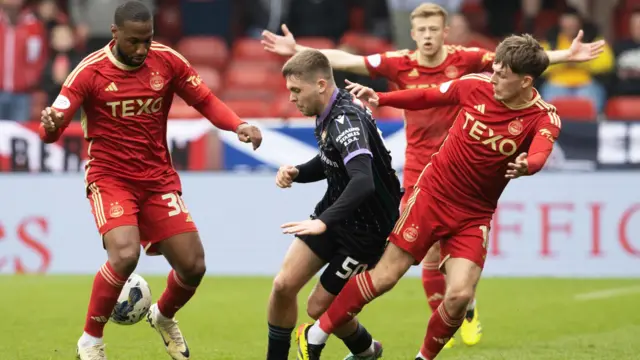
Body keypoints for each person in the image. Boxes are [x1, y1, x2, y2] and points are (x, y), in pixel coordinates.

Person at [261, 2, 604, 349]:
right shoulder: (400, 63)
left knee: (446, 267)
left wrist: (567, 56)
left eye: (433, 29)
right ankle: (435, 317)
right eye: (421, 30)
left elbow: (522, 63)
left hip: (472, 181)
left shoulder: (468, 62)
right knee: (418, 259)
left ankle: (460, 305)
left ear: (445, 32)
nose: (427, 36)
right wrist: (299, 50)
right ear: (413, 34)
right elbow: (349, 62)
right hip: (425, 171)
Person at [294, 34, 562, 360]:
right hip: (432, 195)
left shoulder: (543, 116)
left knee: (460, 296)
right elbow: (427, 96)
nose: (493, 79)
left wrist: (527, 166)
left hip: (474, 215)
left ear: (526, 81)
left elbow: (540, 152)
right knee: (386, 276)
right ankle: (317, 334)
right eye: (494, 70)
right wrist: (381, 96)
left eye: (502, 75)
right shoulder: (474, 85)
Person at [38, 2, 262, 360]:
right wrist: (50, 127)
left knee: (193, 266)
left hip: (157, 179)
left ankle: (163, 315)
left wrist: (239, 125)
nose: (142, 49)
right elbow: (53, 126)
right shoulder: (89, 72)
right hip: (110, 178)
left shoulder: (167, 61)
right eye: (134, 41)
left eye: (148, 40)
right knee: (125, 255)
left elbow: (205, 100)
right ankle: (90, 341)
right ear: (115, 35)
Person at [268, 49, 402, 360]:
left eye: (296, 90)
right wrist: (299, 172)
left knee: (318, 307)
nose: (291, 98)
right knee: (283, 285)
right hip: (337, 212)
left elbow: (363, 180)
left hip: (365, 231)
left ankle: (367, 351)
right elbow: (332, 159)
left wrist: (323, 220)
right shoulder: (327, 110)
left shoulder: (345, 119)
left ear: (320, 85)